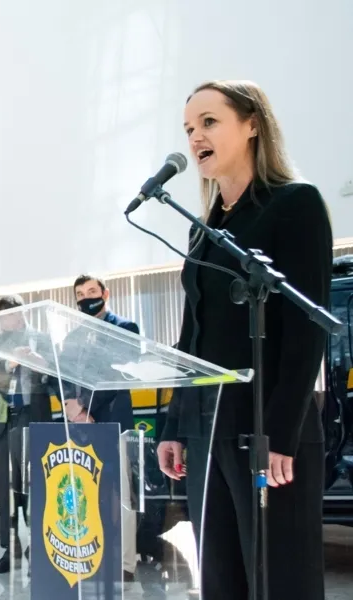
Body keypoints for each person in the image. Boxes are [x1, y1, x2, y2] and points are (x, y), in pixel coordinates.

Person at [157, 80, 332, 599]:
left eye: (209, 122)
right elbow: (192, 333)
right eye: (189, 128)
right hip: (211, 428)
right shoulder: (204, 228)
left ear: (252, 124)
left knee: (280, 580)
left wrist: (279, 434)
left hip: (270, 427)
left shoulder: (294, 204)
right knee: (222, 580)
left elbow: (306, 332)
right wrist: (175, 421)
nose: (195, 137)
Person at [63, 274, 140, 580]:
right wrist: (72, 404)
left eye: (91, 291)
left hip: (113, 421)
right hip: (81, 425)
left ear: (105, 293)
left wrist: (87, 407)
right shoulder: (72, 337)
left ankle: (124, 564)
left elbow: (118, 372)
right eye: (80, 294)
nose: (86, 298)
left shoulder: (125, 328)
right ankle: (91, 554)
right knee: (87, 493)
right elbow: (66, 375)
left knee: (119, 495)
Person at [0, 294, 54, 574]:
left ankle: (39, 549)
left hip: (35, 418)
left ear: (23, 314)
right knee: (7, 490)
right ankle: (11, 549)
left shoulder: (41, 339)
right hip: (3, 421)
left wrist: (39, 365)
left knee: (37, 488)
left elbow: (57, 376)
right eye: (2, 316)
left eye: (12, 314)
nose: (7, 319)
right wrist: (9, 366)